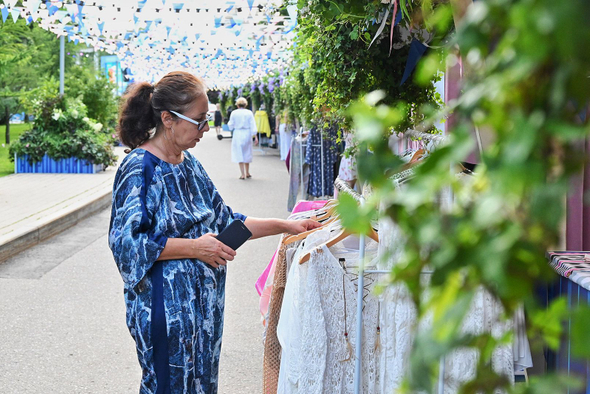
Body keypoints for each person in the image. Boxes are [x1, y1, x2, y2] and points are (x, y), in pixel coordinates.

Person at [108, 71, 320, 394]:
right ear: (167, 118)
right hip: (167, 316)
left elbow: (226, 223)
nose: (205, 130)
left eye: (206, 120)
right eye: (199, 121)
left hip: (204, 315)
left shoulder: (188, 164)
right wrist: (195, 248)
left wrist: (287, 225)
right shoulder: (139, 168)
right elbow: (127, 244)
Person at [227, 97, 258, 180]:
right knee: (247, 152)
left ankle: (242, 174)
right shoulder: (249, 113)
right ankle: (248, 172)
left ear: (237, 105)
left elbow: (230, 125)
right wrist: (255, 135)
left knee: (239, 152)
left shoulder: (234, 113)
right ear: (245, 104)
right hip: (247, 133)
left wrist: (232, 127)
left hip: (238, 133)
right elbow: (253, 124)